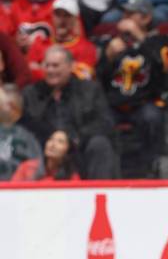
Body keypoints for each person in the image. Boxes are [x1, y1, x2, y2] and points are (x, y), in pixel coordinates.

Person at [97, 0, 168, 177]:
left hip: (144, 102)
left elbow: (163, 67)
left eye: (131, 15)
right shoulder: (113, 43)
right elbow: (98, 76)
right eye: (124, 14)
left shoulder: (159, 42)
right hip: (114, 103)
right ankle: (105, 171)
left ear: (146, 18)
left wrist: (140, 37)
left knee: (151, 117)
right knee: (97, 119)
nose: (125, 18)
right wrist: (107, 56)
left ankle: (149, 168)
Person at [21, 45, 117, 179]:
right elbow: (26, 124)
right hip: (42, 151)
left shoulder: (90, 90)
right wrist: (52, 141)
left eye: (55, 66)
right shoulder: (30, 93)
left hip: (80, 148)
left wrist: (72, 139)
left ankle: (99, 192)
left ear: (70, 67)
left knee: (100, 144)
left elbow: (105, 122)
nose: (50, 70)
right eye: (46, 65)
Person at [27, 0, 97, 81]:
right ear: (52, 17)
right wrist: (68, 69)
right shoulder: (39, 43)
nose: (62, 20)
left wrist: (42, 67)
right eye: (58, 15)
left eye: (67, 16)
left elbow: (82, 79)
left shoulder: (86, 48)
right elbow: (29, 73)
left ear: (75, 19)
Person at [0, 84, 42, 180]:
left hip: (18, 190)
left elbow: (37, 167)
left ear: (17, 111)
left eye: (4, 104)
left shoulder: (26, 137)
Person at [11, 128, 81, 180]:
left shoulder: (72, 177)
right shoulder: (27, 167)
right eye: (51, 139)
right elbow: (13, 193)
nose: (52, 144)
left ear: (68, 150)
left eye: (60, 142)